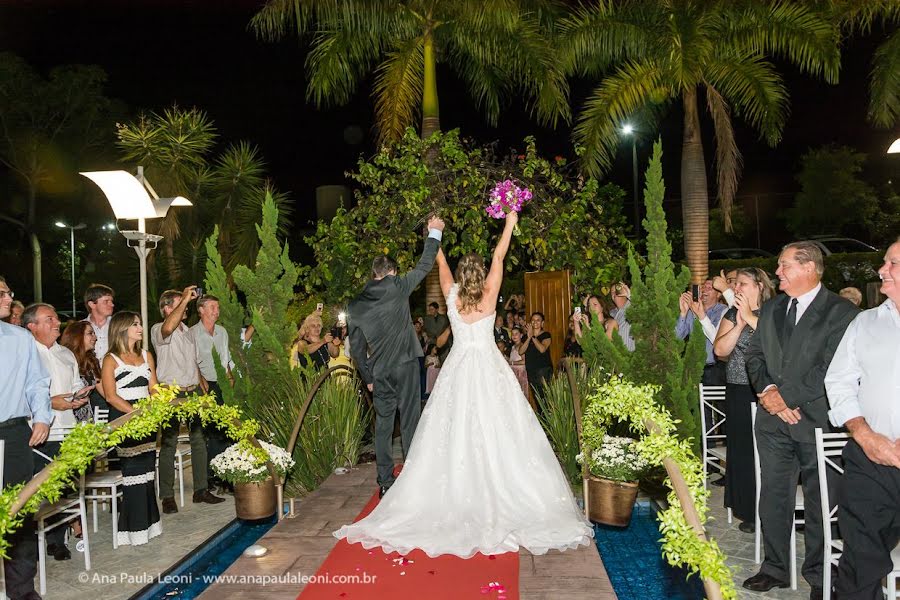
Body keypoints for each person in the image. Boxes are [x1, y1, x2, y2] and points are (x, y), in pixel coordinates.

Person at [334, 210, 593, 557]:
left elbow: (437, 262)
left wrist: (433, 233)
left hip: (456, 370)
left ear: (459, 276)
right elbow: (500, 255)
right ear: (482, 274)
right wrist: (509, 224)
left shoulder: (452, 295)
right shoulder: (489, 295)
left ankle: (430, 489)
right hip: (489, 368)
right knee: (498, 430)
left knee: (451, 431)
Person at [743, 242, 859, 599]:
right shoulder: (773, 308)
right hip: (773, 423)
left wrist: (786, 397)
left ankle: (821, 576)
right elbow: (754, 356)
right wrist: (770, 393)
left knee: (819, 503)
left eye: (784, 266)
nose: (777, 272)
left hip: (818, 423)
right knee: (774, 496)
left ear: (809, 268)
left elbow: (831, 367)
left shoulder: (841, 312)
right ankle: (775, 567)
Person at [824, 238, 900, 600]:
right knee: (860, 555)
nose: (882, 270)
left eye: (893, 264)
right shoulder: (865, 322)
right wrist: (866, 435)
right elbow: (837, 381)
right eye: (884, 262)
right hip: (871, 457)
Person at [347, 215, 444, 497]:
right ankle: (413, 480)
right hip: (405, 365)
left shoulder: (355, 304)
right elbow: (425, 265)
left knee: (384, 427)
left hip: (379, 372)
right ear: (390, 272)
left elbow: (355, 347)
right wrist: (434, 232)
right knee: (410, 420)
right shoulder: (396, 286)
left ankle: (385, 483)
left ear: (373, 274)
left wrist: (367, 378)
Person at [24, 303, 93, 561]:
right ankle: (32, 542)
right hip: (40, 433)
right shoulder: (26, 354)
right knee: (38, 488)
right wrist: (53, 402)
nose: (56, 323)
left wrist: (78, 396)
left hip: (68, 428)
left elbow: (75, 382)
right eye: (49, 319)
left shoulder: (66, 353)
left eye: (55, 318)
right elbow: (24, 394)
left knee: (64, 487)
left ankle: (56, 540)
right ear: (32, 326)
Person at [713, 267, 775, 534]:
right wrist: (739, 323)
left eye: (743, 283)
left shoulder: (774, 313)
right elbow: (720, 350)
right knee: (743, 451)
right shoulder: (730, 314)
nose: (737, 288)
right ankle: (749, 509)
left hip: (768, 391)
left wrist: (750, 317)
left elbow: (777, 344)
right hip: (738, 390)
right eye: (735, 284)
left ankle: (773, 509)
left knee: (767, 452)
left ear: (760, 286)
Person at [0, 276, 51, 600]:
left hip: (14, 433)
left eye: (8, 291)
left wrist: (43, 417)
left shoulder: (19, 338)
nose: (9, 298)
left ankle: (21, 590)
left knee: (19, 512)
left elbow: (36, 382)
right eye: (3, 293)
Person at [151, 287, 224, 514]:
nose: (186, 306)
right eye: (179, 303)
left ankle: (201, 490)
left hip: (193, 390)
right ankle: (167, 496)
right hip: (170, 391)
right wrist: (185, 298)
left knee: (199, 440)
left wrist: (201, 380)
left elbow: (193, 359)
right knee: (169, 443)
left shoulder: (188, 331)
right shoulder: (158, 329)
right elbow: (168, 327)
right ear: (167, 308)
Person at [101, 311, 162, 546]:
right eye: (135, 324)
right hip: (125, 418)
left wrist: (156, 405)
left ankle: (150, 526)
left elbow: (153, 385)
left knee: (148, 470)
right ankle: (132, 530)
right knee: (133, 473)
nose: (140, 327)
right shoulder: (111, 359)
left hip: (147, 417)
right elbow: (110, 396)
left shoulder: (147, 355)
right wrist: (135, 414)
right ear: (122, 328)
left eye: (140, 323)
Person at [190, 295, 234, 492]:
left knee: (223, 429)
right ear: (201, 310)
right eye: (212, 307)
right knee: (207, 431)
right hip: (203, 385)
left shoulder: (222, 332)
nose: (217, 310)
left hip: (221, 383)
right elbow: (190, 360)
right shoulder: (192, 333)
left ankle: (223, 474)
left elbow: (226, 357)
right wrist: (200, 379)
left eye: (218, 306)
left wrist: (230, 376)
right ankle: (208, 475)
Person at [677, 279, 729, 385]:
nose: (705, 290)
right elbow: (677, 338)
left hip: (714, 369)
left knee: (713, 401)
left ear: (719, 294)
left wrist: (701, 314)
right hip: (692, 367)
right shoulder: (691, 311)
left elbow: (717, 338)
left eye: (709, 288)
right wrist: (683, 313)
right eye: (703, 287)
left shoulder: (725, 311)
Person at [59, 320, 106, 423]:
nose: (95, 338)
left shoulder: (91, 361)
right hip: (67, 416)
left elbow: (102, 388)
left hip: (88, 417)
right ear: (77, 336)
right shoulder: (63, 360)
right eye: (90, 333)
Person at [82, 283, 115, 361]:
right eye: (106, 301)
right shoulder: (80, 328)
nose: (112, 304)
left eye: (111, 301)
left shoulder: (118, 325)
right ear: (92, 304)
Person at [522, 311, 552, 394]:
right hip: (531, 369)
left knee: (545, 396)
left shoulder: (546, 335)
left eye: (538, 320)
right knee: (536, 396)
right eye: (533, 320)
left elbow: (542, 349)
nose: (535, 322)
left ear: (542, 323)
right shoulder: (526, 336)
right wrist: (528, 338)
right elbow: (521, 351)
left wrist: (533, 336)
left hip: (543, 369)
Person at [609, 282, 635, 351]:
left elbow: (644, 311)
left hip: (632, 356)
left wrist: (629, 295)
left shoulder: (632, 306)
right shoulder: (612, 313)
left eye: (617, 291)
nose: (614, 293)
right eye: (612, 292)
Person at [508, 326, 530, 398]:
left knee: (521, 395)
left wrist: (511, 363)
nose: (514, 336)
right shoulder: (513, 346)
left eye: (516, 334)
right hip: (514, 372)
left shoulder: (521, 346)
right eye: (512, 334)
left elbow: (524, 361)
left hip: (520, 373)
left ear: (521, 335)